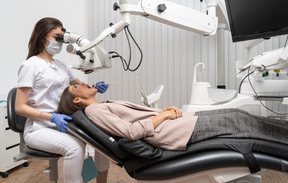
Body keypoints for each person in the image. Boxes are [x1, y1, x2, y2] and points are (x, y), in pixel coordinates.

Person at [58, 82, 288, 152]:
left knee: (240, 114)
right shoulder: (94, 111)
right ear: (77, 100)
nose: (82, 82)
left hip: (178, 123)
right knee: (242, 121)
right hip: (175, 132)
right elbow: (130, 133)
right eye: (75, 87)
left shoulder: (103, 105)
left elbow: (137, 120)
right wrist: (165, 116)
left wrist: (164, 112)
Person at [15, 17, 109, 183]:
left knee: (102, 139)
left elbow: (80, 86)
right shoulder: (31, 65)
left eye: (62, 37)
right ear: (43, 37)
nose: (60, 41)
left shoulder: (61, 65)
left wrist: (94, 87)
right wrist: (51, 117)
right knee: (74, 148)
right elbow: (20, 107)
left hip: (64, 123)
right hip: (39, 128)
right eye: (56, 37)